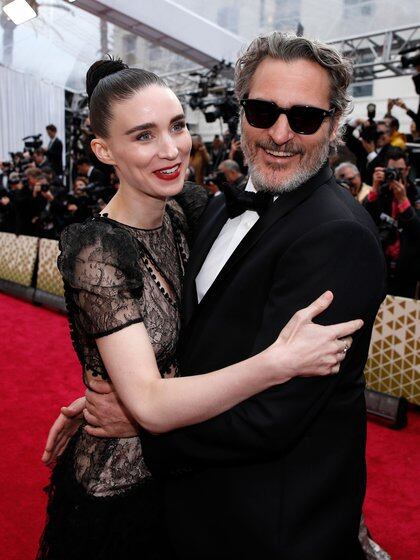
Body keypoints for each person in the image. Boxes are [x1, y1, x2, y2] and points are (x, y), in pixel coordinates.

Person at [43, 34, 387, 560]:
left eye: (305, 118)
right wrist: (123, 383)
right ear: (239, 110)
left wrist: (137, 422)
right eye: (263, 109)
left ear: (335, 123)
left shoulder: (336, 235)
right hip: (186, 504)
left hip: (260, 523)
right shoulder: (208, 207)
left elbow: (272, 417)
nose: (279, 134)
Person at [364, 148, 420, 298]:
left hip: (408, 273)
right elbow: (362, 219)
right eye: (391, 170)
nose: (395, 174)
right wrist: (374, 188)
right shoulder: (380, 193)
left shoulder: (416, 194)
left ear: (407, 170)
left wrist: (403, 201)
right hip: (381, 269)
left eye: (400, 170)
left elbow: (417, 232)